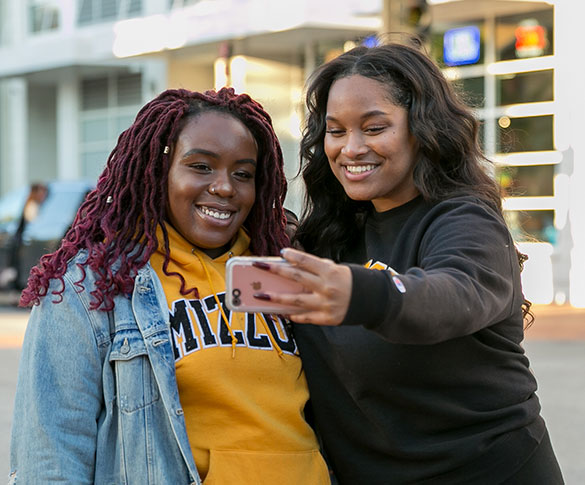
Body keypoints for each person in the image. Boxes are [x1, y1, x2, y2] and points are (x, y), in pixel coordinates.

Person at [250, 41, 564, 484]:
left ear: (422, 128)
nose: (351, 148)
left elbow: (453, 294)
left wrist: (360, 292)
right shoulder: (328, 236)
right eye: (336, 131)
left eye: (374, 128)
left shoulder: (466, 220)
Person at [10, 88, 330, 485]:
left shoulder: (278, 269)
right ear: (158, 172)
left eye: (243, 174)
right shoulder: (93, 286)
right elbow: (51, 457)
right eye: (201, 166)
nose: (225, 187)